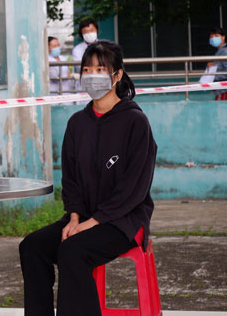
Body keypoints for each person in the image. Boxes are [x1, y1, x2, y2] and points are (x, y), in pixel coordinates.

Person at [19, 40, 157, 316]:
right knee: (32, 246)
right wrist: (74, 218)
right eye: (86, 69)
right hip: (83, 217)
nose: (92, 75)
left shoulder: (135, 122)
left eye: (100, 69)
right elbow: (71, 181)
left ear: (117, 75)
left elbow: (135, 188)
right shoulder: (77, 124)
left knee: (72, 251)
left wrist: (93, 222)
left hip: (124, 221)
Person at [207, 27, 227, 100]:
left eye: (216, 36)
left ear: (223, 37)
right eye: (211, 37)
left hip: (224, 90)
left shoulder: (225, 51)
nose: (213, 38)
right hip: (221, 90)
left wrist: (212, 77)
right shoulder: (219, 52)